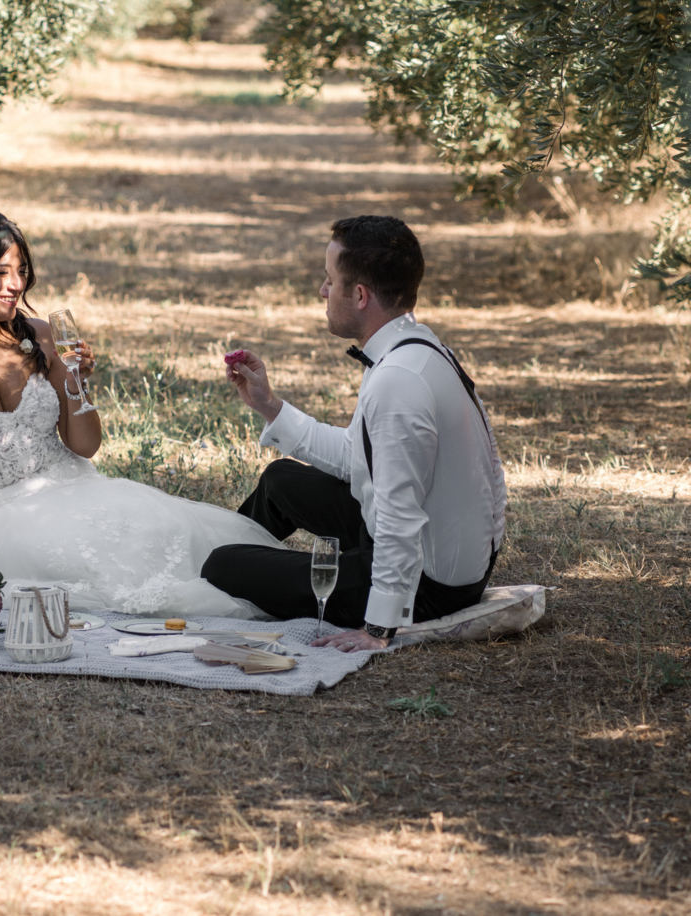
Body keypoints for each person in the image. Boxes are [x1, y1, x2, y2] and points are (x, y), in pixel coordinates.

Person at [0, 208, 285, 618]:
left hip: (72, 487)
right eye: (1, 272)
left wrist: (77, 381)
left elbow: (85, 445)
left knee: (162, 531)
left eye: (21, 271)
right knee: (65, 562)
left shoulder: (45, 335)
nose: (16, 285)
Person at [201, 215, 507, 651]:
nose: (322, 291)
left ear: (360, 295)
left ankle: (223, 563)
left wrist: (379, 628)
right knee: (280, 481)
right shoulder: (415, 347)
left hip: (423, 586)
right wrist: (269, 406)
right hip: (426, 549)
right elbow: (358, 460)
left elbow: (400, 519)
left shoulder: (398, 381)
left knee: (222, 566)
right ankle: (229, 548)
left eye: (329, 281)